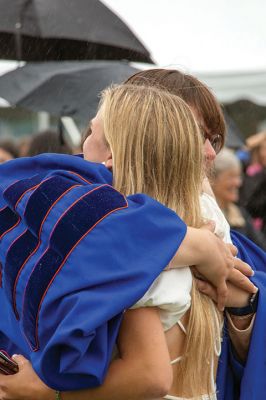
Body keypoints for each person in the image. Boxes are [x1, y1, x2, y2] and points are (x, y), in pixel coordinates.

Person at [0, 84, 259, 400]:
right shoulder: (199, 229)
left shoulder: (137, 251)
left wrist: (47, 394)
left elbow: (151, 377)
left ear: (111, 154)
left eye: (90, 134)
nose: (80, 151)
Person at [211, 147, 266, 249]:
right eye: (231, 177)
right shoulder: (206, 215)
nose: (238, 183)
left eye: (238, 176)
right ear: (213, 179)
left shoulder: (240, 214)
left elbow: (262, 248)